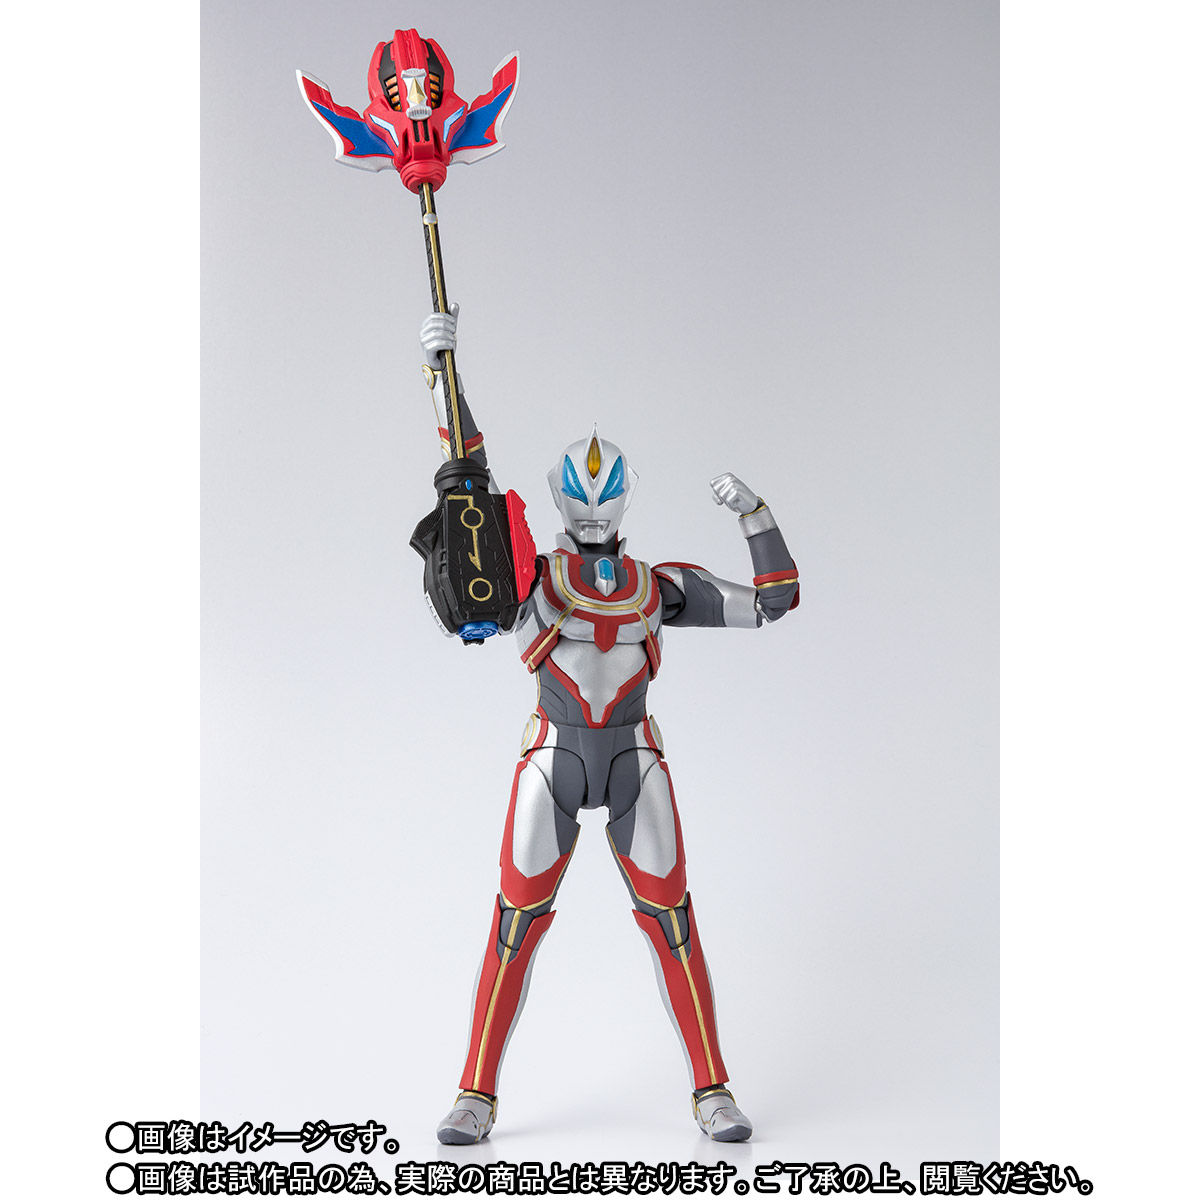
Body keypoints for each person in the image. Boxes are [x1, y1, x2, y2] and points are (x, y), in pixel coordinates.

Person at [418, 308, 800, 1144]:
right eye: (582, 494)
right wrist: (444, 375)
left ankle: (712, 1089)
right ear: (563, 496)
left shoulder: (656, 586)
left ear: (624, 497)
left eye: (606, 494)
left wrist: (755, 513)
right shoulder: (531, 574)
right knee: (514, 927)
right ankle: (475, 1093)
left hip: (633, 760)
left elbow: (775, 601)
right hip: (554, 758)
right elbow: (470, 484)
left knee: (673, 924)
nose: (593, 508)